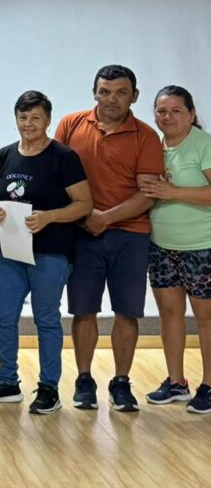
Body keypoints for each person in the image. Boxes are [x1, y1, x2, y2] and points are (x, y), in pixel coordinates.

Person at [0, 90, 92, 414]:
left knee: (46, 319)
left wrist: (49, 216)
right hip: (12, 252)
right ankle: (7, 382)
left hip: (51, 252)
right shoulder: (5, 154)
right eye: (23, 117)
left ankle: (49, 388)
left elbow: (84, 204)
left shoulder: (63, 157)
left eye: (35, 118)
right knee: (2, 314)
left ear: (48, 120)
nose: (28, 124)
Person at [55, 64, 163, 412]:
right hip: (81, 233)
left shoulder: (146, 136)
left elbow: (148, 194)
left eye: (120, 92)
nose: (111, 99)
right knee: (83, 310)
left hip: (130, 236)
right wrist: (85, 216)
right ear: (94, 93)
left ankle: (121, 382)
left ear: (135, 96)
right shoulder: (70, 125)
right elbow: (56, 177)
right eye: (104, 91)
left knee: (127, 312)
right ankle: (84, 379)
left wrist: (105, 218)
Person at [140, 85, 211, 413]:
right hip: (161, 246)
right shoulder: (153, 146)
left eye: (176, 111)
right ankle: (176, 381)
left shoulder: (204, 144)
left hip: (202, 247)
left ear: (192, 114)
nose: (167, 117)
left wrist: (174, 191)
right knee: (169, 314)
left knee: (206, 318)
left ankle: (208, 385)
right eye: (161, 111)